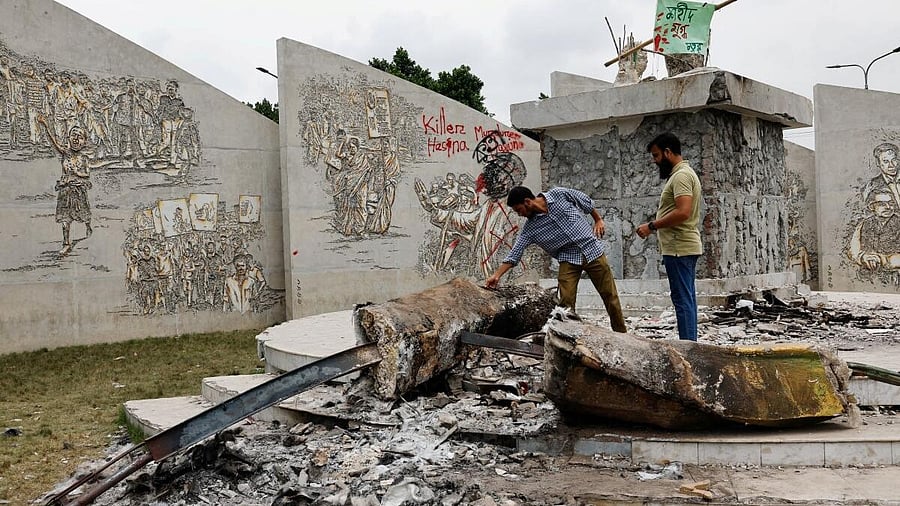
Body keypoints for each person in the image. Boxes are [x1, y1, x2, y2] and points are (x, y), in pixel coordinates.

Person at [484, 186, 627, 333]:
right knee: (565, 305)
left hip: (592, 250)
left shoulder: (559, 194)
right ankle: (568, 337)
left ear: (527, 202)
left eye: (519, 210)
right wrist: (496, 275)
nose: (519, 215)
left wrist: (598, 219)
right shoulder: (530, 229)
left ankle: (622, 334)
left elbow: (586, 202)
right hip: (568, 259)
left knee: (610, 296)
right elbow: (515, 253)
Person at [636, 132, 703, 341]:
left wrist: (651, 226)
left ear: (668, 152)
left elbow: (683, 212)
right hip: (682, 246)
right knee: (687, 298)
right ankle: (691, 344)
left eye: (656, 156)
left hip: (679, 247)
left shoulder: (682, 176)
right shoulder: (683, 174)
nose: (655, 162)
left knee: (683, 300)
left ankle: (689, 347)